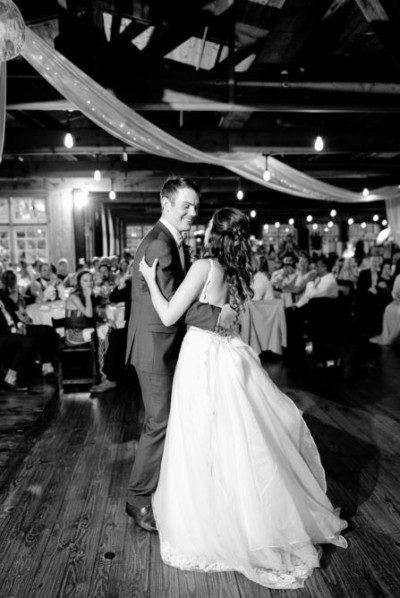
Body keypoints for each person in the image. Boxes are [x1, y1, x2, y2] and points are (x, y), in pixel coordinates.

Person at [139, 207, 347, 590]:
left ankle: (215, 517)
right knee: (235, 436)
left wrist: (152, 281)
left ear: (211, 235)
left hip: (201, 356)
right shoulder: (239, 272)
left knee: (202, 435)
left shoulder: (203, 267)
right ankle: (249, 515)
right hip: (228, 354)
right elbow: (227, 318)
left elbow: (169, 316)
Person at [125, 177, 233, 534]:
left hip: (164, 344)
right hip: (156, 347)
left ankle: (163, 490)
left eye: (196, 206)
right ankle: (138, 500)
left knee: (167, 420)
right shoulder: (160, 244)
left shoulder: (169, 241)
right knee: (158, 423)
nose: (192, 211)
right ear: (165, 202)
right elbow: (176, 308)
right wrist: (220, 317)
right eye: (186, 205)